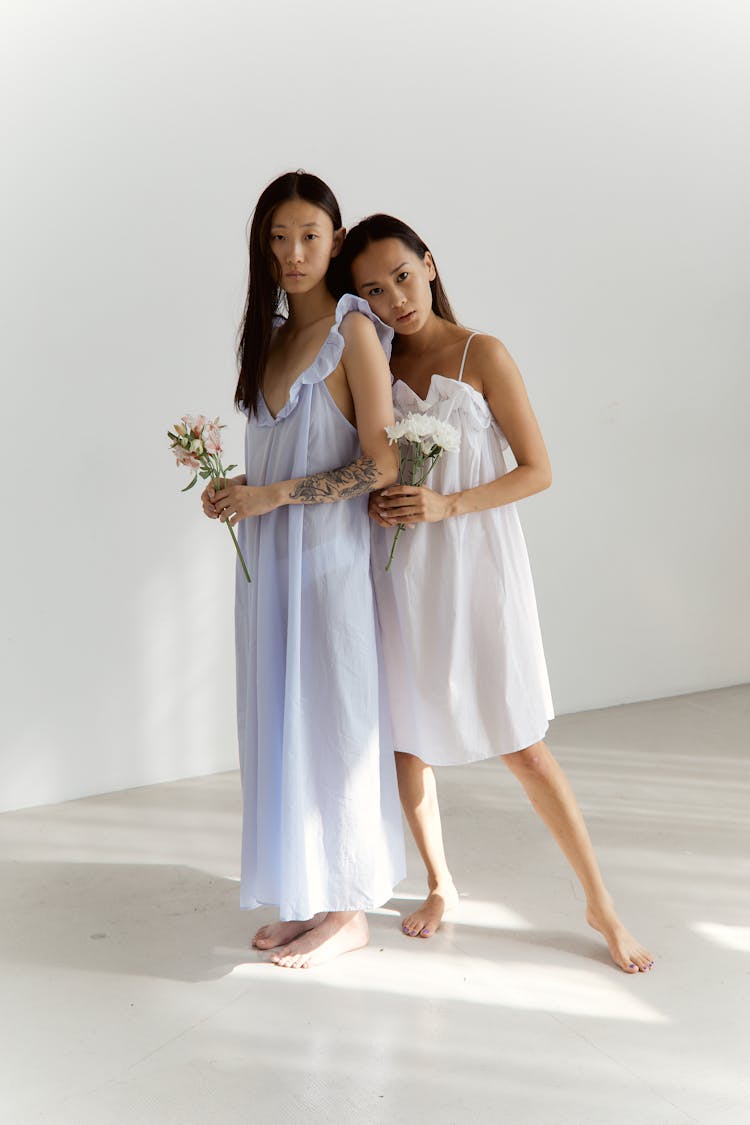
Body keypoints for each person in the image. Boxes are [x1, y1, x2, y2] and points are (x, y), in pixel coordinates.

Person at [338, 214, 654, 974]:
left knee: (525, 746)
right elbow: (365, 464)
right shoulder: (368, 363)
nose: (395, 300)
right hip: (401, 572)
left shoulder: (484, 354)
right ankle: (441, 884)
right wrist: (379, 501)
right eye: (373, 291)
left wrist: (447, 505)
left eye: (403, 277)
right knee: (409, 744)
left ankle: (600, 903)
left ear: (430, 263)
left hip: (478, 567)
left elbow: (538, 469)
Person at [202, 176, 405, 969]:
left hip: (326, 564)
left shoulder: (353, 331)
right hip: (267, 568)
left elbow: (381, 462)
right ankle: (312, 891)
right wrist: (232, 495)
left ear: (336, 239)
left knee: (336, 715)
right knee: (282, 720)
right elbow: (269, 455)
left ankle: (350, 907)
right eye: (279, 237)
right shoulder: (272, 336)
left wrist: (276, 496)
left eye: (310, 236)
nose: (292, 253)